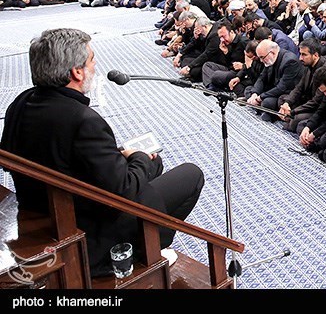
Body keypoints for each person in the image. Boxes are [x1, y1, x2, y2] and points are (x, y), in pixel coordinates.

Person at [0, 28, 204, 277]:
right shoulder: (83, 120)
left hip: (39, 207)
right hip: (89, 230)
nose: (95, 65)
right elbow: (124, 191)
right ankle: (142, 249)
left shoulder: (20, 103)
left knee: (154, 167)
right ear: (76, 72)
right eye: (91, 59)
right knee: (189, 174)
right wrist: (139, 157)